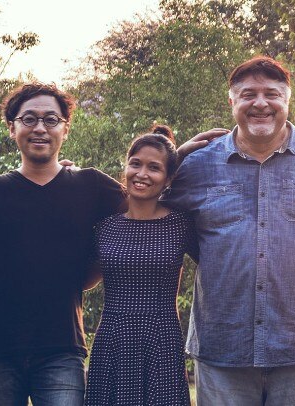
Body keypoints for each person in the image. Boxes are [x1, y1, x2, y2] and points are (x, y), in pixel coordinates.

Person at [165, 56, 295, 405]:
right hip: (223, 347)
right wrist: (171, 159)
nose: (261, 103)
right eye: (249, 94)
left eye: (272, 94)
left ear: (288, 100)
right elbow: (145, 214)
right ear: (232, 101)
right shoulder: (196, 166)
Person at [0, 83, 124, 405]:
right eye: (29, 119)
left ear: (66, 128)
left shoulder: (89, 185)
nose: (40, 128)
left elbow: (146, 203)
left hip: (61, 349)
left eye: (51, 120)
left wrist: (181, 153)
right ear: (12, 128)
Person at [84, 126, 195, 406]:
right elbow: (84, 280)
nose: (142, 174)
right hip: (113, 337)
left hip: (162, 338)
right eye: (136, 164)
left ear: (168, 178)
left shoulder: (182, 224)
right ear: (126, 167)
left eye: (154, 168)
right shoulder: (105, 227)